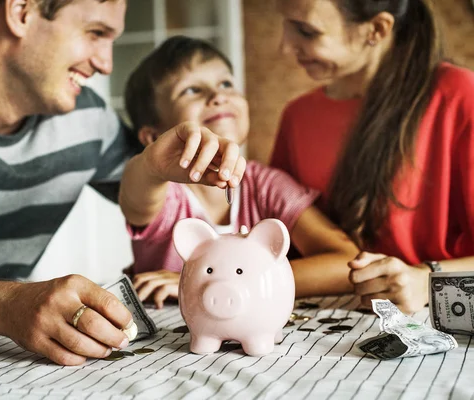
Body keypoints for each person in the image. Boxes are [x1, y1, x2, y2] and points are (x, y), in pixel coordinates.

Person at [0, 0, 246, 366]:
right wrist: (4, 304)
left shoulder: (89, 120)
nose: (105, 63)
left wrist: (151, 168)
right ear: (21, 12)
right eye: (95, 33)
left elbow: (144, 206)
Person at [118, 36, 360, 309]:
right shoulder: (164, 193)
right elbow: (135, 195)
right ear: (153, 137)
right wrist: (151, 166)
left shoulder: (267, 185)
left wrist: (223, 282)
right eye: (191, 90)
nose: (218, 96)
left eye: (225, 84)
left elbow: (346, 261)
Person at [270, 0, 474, 313]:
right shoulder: (297, 117)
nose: (285, 48)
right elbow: (281, 241)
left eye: (307, 31)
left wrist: (428, 279)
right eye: (286, 24)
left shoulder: (461, 96)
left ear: (377, 29)